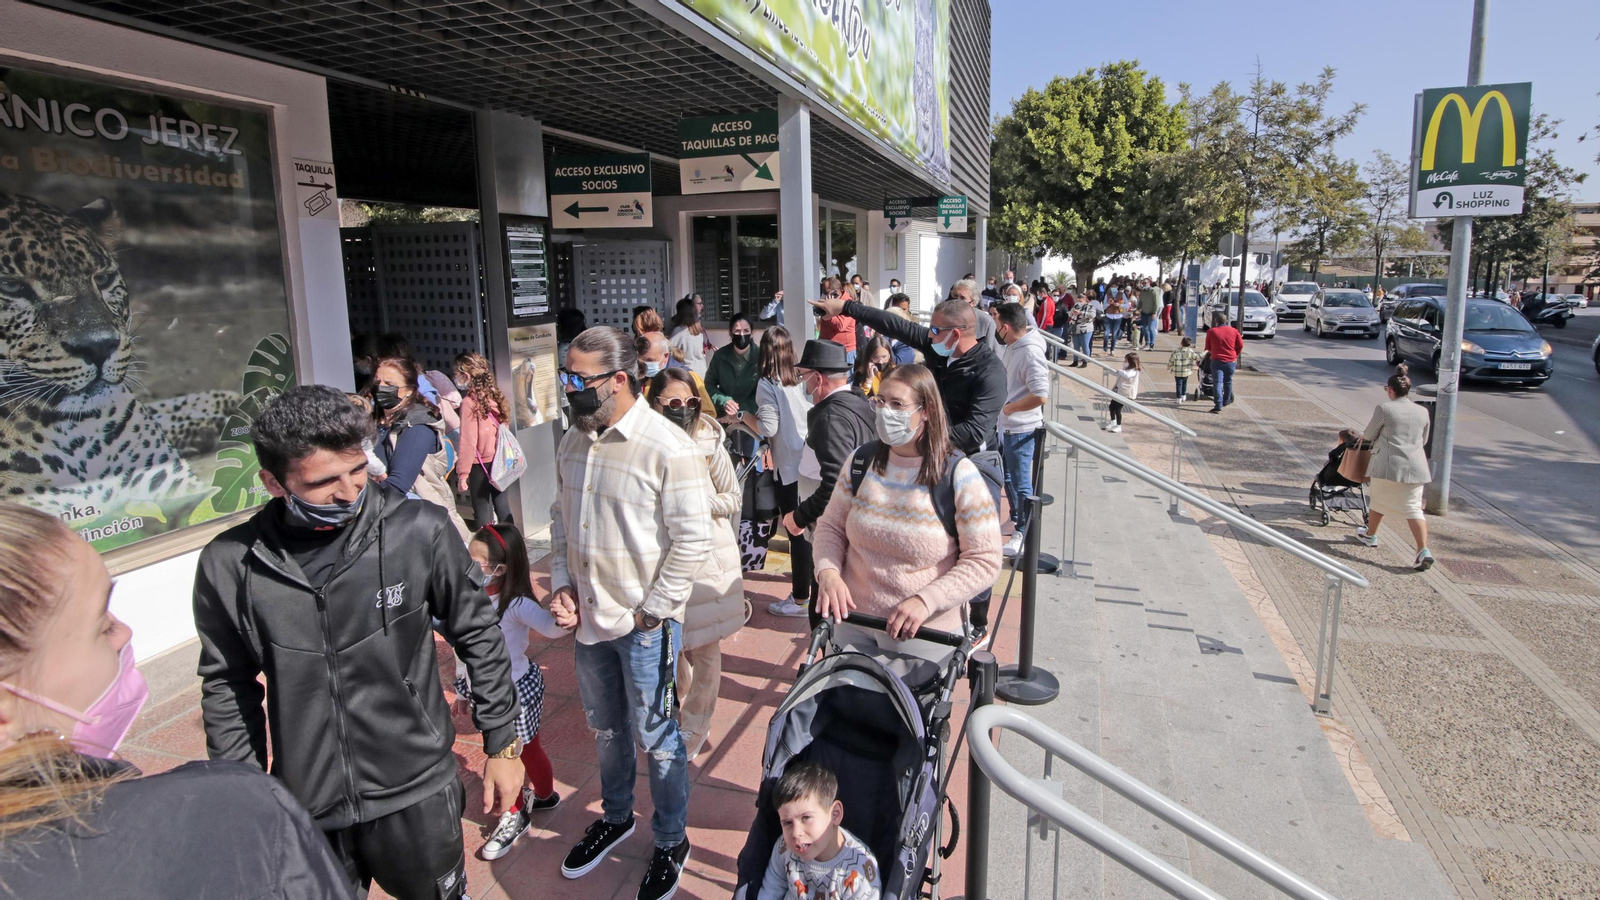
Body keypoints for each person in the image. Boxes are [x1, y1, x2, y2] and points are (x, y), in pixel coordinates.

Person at [193, 385, 526, 900]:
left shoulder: (418, 530)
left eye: (356, 470)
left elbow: (477, 631)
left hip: (417, 791)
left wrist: (502, 742)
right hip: (308, 802)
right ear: (273, 482)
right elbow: (227, 685)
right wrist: (244, 798)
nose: (350, 492)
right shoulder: (231, 563)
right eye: (324, 482)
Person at [0, 503, 353, 899]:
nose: (125, 632)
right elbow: (227, 680)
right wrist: (237, 786)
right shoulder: (218, 818)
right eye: (102, 624)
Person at [547, 327, 713, 899]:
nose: (569, 390)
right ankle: (616, 816)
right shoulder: (574, 438)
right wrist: (562, 583)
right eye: (565, 377)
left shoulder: (670, 447)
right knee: (605, 729)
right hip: (589, 623)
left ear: (619, 379)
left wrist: (653, 613)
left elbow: (692, 539)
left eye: (579, 380)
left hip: (644, 626)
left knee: (659, 737)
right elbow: (562, 517)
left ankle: (671, 839)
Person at [812, 364, 1002, 641]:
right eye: (880, 401)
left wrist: (928, 600)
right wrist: (827, 572)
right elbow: (830, 526)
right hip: (852, 622)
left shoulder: (958, 475)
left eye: (898, 404)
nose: (885, 411)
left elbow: (985, 559)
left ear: (926, 411)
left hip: (924, 634)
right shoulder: (860, 461)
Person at [649, 367, 746, 762]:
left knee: (704, 650)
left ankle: (696, 724)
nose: (683, 409)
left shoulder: (709, 440)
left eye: (690, 402)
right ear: (654, 402)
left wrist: (695, 505)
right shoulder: (641, 442)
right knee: (670, 647)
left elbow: (732, 497)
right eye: (673, 402)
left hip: (706, 561)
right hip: (659, 561)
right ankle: (677, 705)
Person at [460, 524, 566, 861]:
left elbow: (549, 627)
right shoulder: (467, 597)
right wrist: (463, 690)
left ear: (500, 569)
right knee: (514, 750)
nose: (468, 568)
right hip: (485, 693)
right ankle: (545, 795)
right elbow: (466, 651)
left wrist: (567, 613)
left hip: (516, 691)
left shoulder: (515, 603)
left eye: (477, 563)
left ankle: (516, 813)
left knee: (516, 751)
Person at [772, 339, 875, 621]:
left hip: (832, 529)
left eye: (805, 377)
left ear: (818, 378)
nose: (803, 385)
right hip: (850, 523)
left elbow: (835, 483)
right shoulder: (857, 404)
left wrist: (799, 516)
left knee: (825, 609)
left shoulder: (832, 417)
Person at [369, 354, 469, 539]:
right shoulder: (373, 420)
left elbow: (398, 484)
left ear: (409, 390)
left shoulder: (417, 425)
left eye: (389, 384)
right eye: (378, 382)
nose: (381, 388)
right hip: (386, 519)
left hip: (417, 524)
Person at [755, 327, 815, 618]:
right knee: (817, 532)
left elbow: (768, 427)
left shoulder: (767, 384)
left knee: (796, 531)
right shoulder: (803, 377)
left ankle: (801, 598)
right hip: (814, 465)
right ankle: (816, 592)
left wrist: (742, 417)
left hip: (789, 469)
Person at [757, 761, 881, 900]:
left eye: (806, 818)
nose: (796, 833)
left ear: (835, 814)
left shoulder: (859, 869)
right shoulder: (785, 848)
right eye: (787, 823)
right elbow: (772, 887)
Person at [1355, 365, 1435, 570]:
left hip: (1387, 464)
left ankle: (1370, 534)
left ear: (1390, 390)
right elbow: (1423, 440)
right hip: (1416, 467)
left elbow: (1370, 434)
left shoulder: (1384, 408)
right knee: (1413, 509)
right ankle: (1423, 549)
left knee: (1379, 501)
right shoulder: (1422, 411)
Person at [994, 302, 1049, 558]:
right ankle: (1017, 522)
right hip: (1010, 426)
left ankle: (1024, 533)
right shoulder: (1015, 346)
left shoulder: (1030, 351)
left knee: (1020, 482)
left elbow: (1040, 395)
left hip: (1021, 429)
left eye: (997, 326)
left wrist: (1009, 409)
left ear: (1006, 327)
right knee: (1010, 480)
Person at [452, 351, 514, 527]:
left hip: (479, 463)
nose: (455, 378)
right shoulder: (496, 395)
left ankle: (488, 548)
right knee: (502, 505)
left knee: (482, 510)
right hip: (500, 458)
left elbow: (467, 441)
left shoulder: (469, 403)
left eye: (456, 374)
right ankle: (511, 542)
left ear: (466, 375)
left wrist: (462, 474)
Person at [705, 313, 761, 431]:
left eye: (746, 330)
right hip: (724, 418)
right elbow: (709, 384)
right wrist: (724, 401)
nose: (742, 335)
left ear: (752, 333)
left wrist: (741, 411)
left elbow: (763, 392)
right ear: (730, 333)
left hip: (751, 419)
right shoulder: (720, 356)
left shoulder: (761, 357)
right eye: (737, 331)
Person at [1203, 311, 1242, 413]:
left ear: (1216, 321)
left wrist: (1214, 351)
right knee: (1228, 381)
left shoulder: (1211, 331)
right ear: (1227, 321)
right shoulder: (1234, 331)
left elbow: (1208, 347)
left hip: (1216, 360)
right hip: (1230, 360)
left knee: (1217, 382)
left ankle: (1218, 405)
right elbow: (1240, 345)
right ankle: (1226, 400)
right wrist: (1235, 354)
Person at [948, 278, 999, 351]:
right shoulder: (946, 318)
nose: (957, 301)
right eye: (955, 296)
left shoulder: (987, 322)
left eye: (962, 298)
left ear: (973, 303)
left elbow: (994, 354)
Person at [817, 277, 858, 363]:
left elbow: (840, 326)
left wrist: (827, 312)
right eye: (823, 292)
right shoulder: (828, 301)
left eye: (826, 292)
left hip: (844, 351)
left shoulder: (848, 304)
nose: (824, 295)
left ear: (836, 291)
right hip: (826, 348)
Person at [670, 295, 712, 375]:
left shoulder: (679, 331)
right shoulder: (698, 330)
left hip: (688, 372)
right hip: (702, 370)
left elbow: (668, 349)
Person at [1105, 352, 1141, 434]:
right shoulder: (1125, 369)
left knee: (1118, 409)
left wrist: (1120, 371)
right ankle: (1113, 422)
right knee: (1111, 406)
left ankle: (1118, 425)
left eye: (1126, 361)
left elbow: (1127, 375)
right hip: (1118, 390)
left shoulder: (1134, 371)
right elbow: (1118, 374)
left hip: (1125, 393)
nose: (1124, 362)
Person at [1166, 337, 1199, 403]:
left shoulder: (1176, 351)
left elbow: (1171, 360)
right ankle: (1184, 395)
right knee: (1185, 383)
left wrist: (1168, 366)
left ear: (1181, 343)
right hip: (1186, 371)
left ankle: (1178, 398)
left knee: (1178, 384)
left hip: (1177, 371)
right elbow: (1197, 357)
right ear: (1189, 345)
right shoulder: (1190, 351)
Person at [1067, 291, 1096, 365]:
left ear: (1085, 299)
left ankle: (1085, 361)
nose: (1079, 301)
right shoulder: (1076, 305)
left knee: (1084, 345)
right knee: (1076, 345)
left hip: (1086, 328)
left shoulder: (1091, 306)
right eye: (1078, 299)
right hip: (1075, 328)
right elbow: (1070, 313)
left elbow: (1092, 315)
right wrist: (1072, 313)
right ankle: (1075, 361)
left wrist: (1081, 313)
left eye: (1081, 299)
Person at [1136, 280, 1161, 350]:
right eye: (1143, 283)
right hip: (1144, 313)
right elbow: (1140, 302)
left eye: (1145, 283)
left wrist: (1154, 312)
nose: (1144, 284)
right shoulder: (1142, 292)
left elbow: (1156, 303)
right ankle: (1147, 343)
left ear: (1149, 283)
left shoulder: (1154, 291)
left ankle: (1152, 344)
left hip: (1151, 313)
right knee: (1145, 329)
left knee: (1151, 328)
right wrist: (1137, 309)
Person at [1101, 290, 1125, 354]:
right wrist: (1108, 303)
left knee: (1114, 334)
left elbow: (1127, 305)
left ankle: (1112, 350)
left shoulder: (1122, 295)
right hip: (1108, 316)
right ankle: (1105, 349)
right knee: (1106, 333)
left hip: (1118, 316)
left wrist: (1119, 304)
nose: (1114, 288)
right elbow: (1103, 307)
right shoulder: (1107, 295)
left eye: (1116, 286)